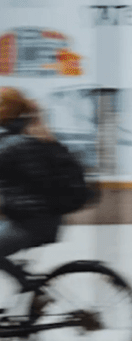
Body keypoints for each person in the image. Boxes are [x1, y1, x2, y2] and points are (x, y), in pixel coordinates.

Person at [0, 87, 64, 258]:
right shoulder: (23, 137)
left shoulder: (13, 143)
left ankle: (26, 283)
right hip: (35, 220)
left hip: (30, 223)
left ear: (5, 110)